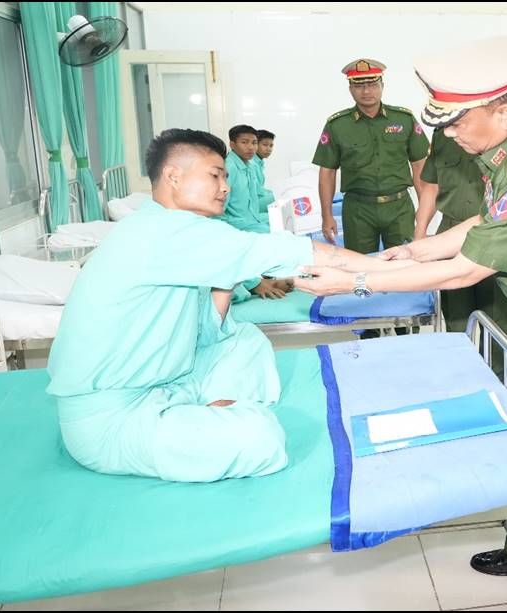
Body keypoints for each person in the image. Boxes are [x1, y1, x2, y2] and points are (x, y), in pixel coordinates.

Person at [296, 36, 507, 611]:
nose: (447, 134)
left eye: (455, 121)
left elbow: (468, 270)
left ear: (500, 109)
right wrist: (412, 250)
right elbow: (488, 219)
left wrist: (358, 281)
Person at [47, 128, 406, 483]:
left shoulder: (168, 227)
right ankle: (204, 421)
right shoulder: (161, 233)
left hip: (169, 380)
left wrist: (230, 269)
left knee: (245, 341)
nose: (225, 187)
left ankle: (198, 416)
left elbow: (206, 332)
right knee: (260, 437)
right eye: (215, 175)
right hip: (114, 417)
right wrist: (385, 268)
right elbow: (292, 252)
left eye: (225, 177)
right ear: (173, 176)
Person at [312, 58, 429, 253]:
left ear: (382, 85)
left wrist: (424, 213)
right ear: (350, 89)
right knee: (360, 264)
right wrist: (327, 215)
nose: (366, 91)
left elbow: (419, 166)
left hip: (399, 208)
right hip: (358, 210)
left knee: (406, 261)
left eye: (373, 84)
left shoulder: (404, 119)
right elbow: (327, 172)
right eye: (359, 86)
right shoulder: (337, 125)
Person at [414, 128, 507, 358]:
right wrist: (420, 232)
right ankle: (461, 374)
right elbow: (431, 186)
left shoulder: (503, 131)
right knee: (456, 322)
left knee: (496, 324)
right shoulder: (442, 135)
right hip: (450, 233)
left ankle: (496, 378)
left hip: (493, 234)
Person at [222, 124, 289, 299]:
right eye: (244, 142)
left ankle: (266, 275)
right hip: (236, 222)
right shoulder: (229, 168)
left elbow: (254, 197)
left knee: (281, 226)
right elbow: (220, 210)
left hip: (250, 219)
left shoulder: (249, 166)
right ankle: (263, 279)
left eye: (253, 142)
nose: (251, 147)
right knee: (273, 233)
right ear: (232, 144)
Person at [253, 129, 276, 208]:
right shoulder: (252, 163)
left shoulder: (259, 163)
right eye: (265, 145)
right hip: (253, 203)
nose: (269, 149)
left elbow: (259, 189)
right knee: (283, 195)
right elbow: (256, 191)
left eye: (271, 145)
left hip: (257, 199)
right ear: (255, 144)